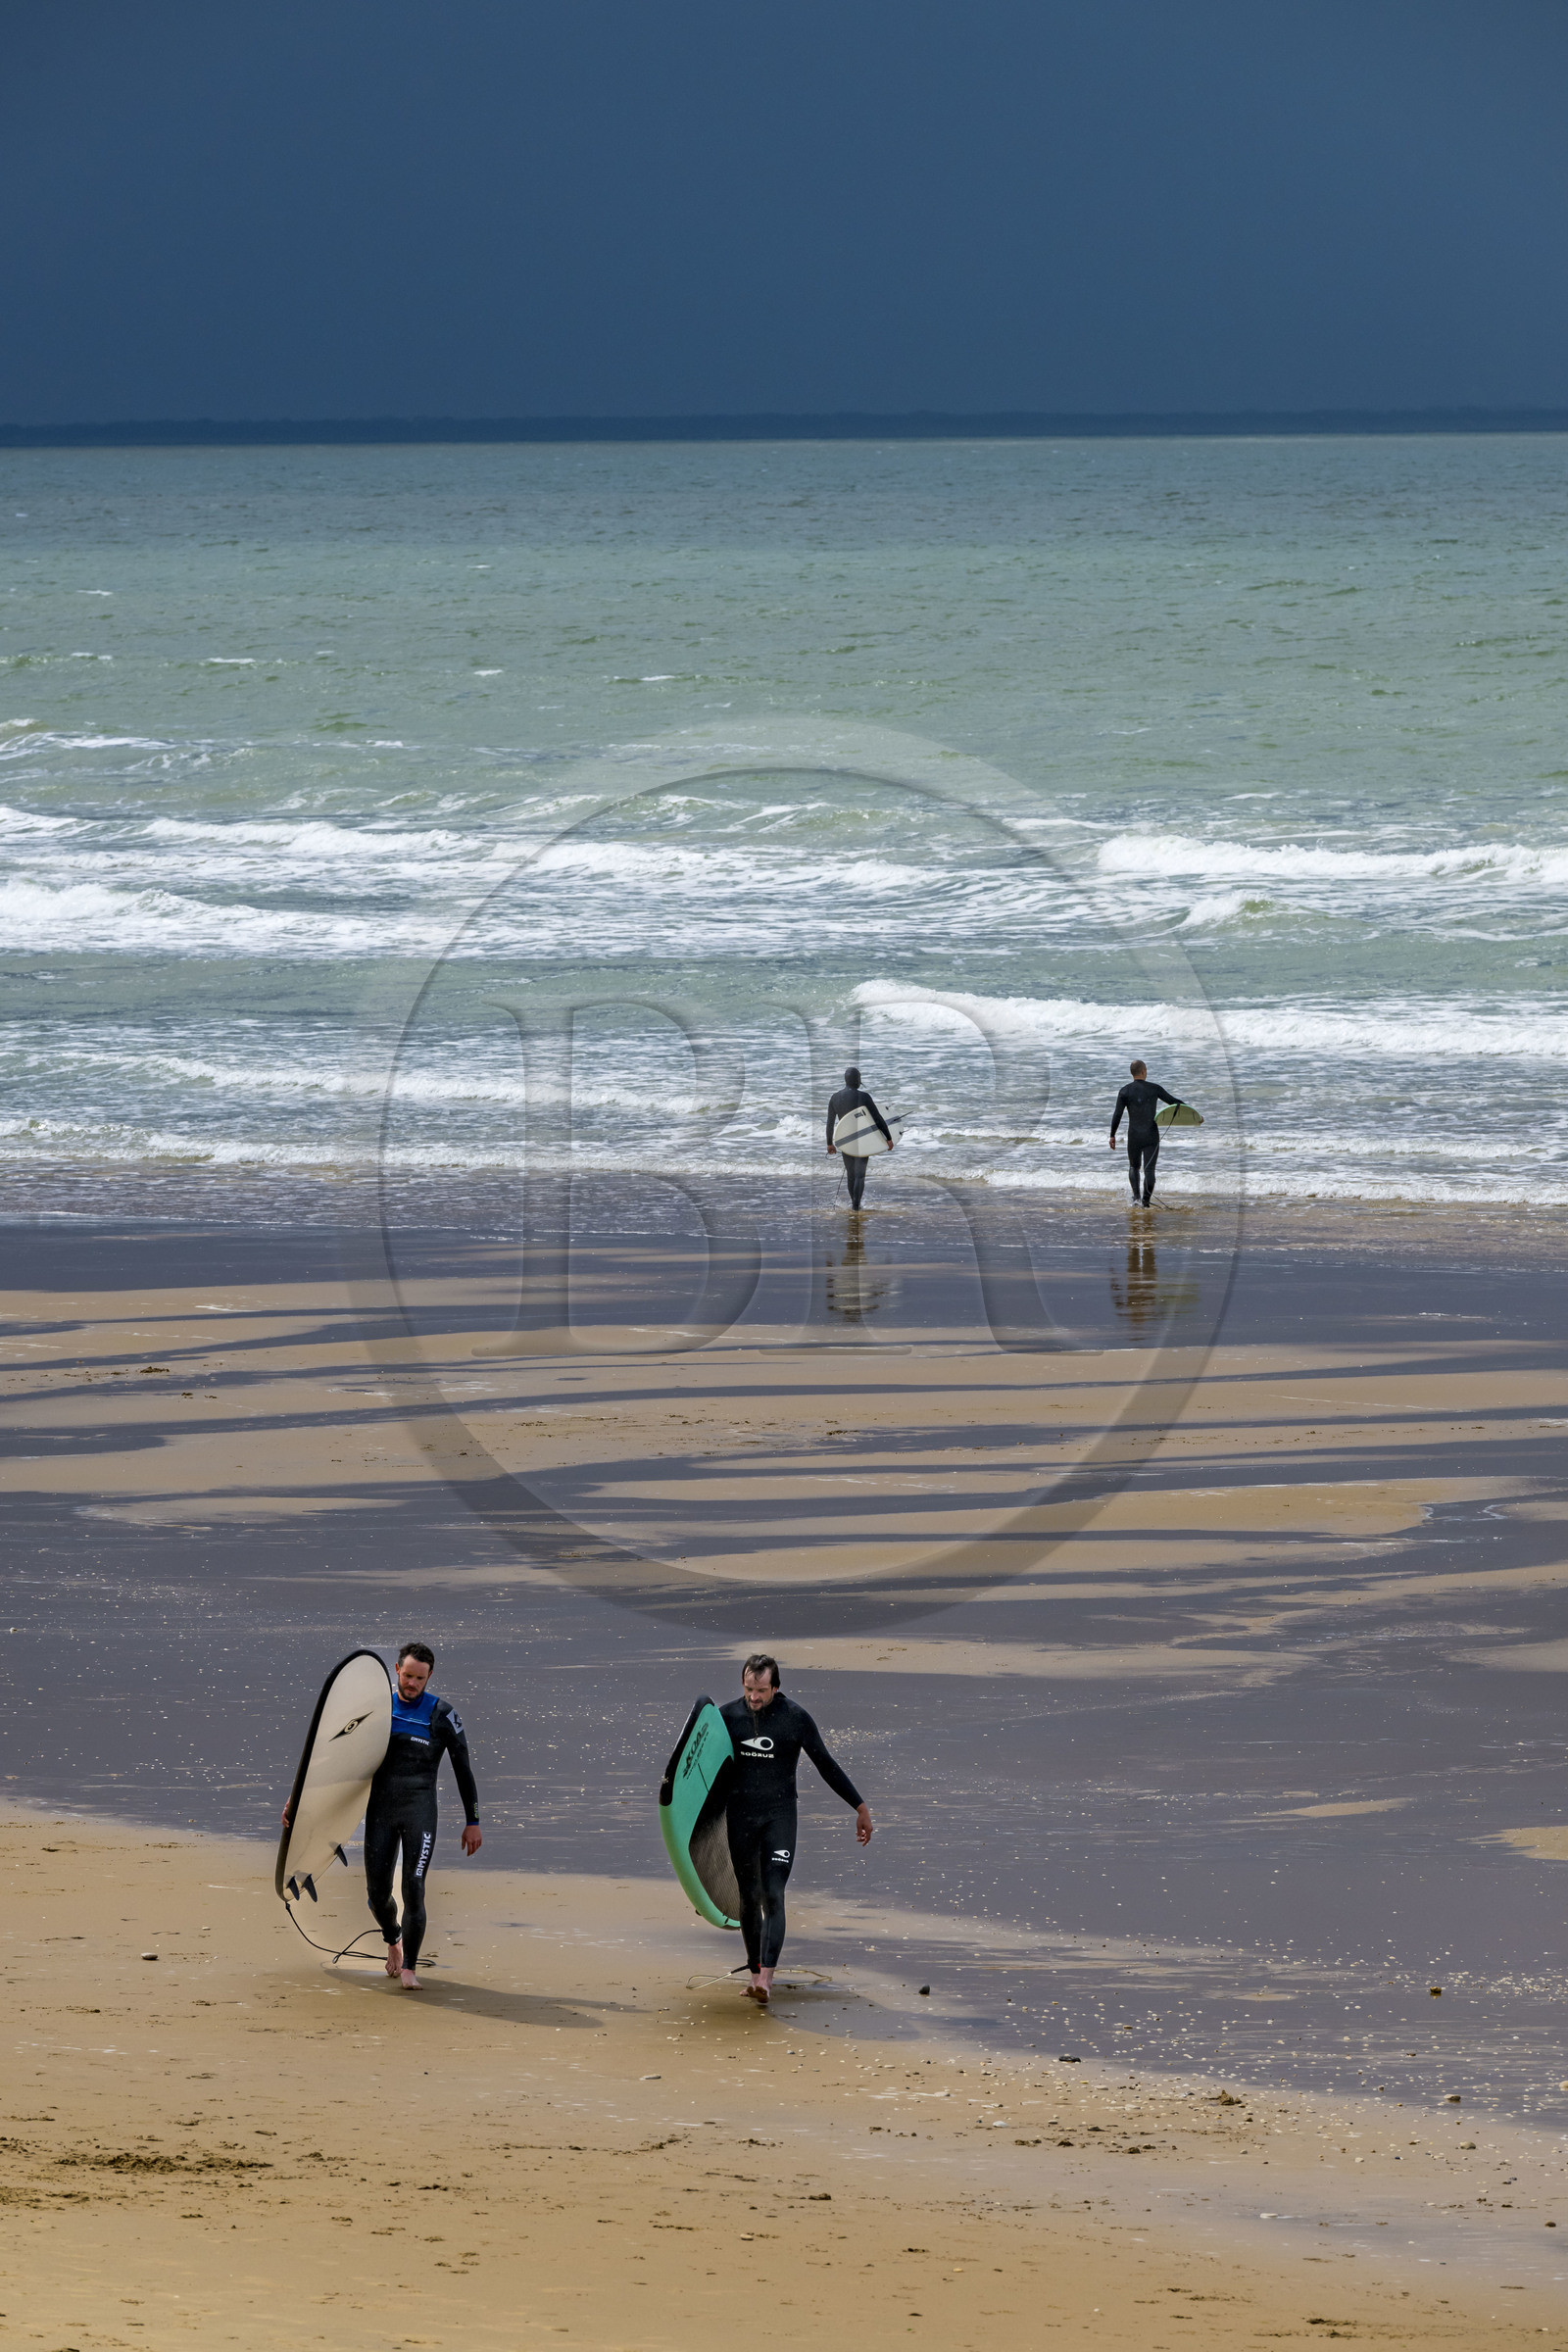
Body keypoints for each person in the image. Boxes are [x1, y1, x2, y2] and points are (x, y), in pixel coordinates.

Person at [720, 1654, 872, 2004]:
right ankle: (755, 1971)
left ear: (776, 1686)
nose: (753, 1698)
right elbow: (702, 1777)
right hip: (740, 1818)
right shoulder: (727, 1718)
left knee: (773, 1893)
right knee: (748, 1898)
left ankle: (766, 1981)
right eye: (748, 1689)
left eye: (761, 1690)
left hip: (779, 1817)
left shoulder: (795, 1719)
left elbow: (826, 1765)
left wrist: (859, 1806)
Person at [365, 1642, 481, 1990]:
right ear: (397, 1669)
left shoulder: (443, 1715)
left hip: (419, 1812)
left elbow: (464, 1770)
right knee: (376, 1895)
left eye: (420, 1677)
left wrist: (472, 1821)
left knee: (414, 1888)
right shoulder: (376, 1708)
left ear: (429, 1676)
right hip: (380, 1812)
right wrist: (299, 1801)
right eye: (408, 1675)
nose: (412, 1683)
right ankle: (392, 1937)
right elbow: (331, 1756)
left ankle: (411, 1969)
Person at [1108, 1058, 1183, 1208]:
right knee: (1149, 1169)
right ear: (1143, 1071)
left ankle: (1136, 1199)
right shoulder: (1155, 1088)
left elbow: (1117, 1114)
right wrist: (1195, 1115)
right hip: (1151, 1135)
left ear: (1132, 1073)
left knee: (1133, 1167)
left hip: (1134, 1136)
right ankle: (1146, 1202)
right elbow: (1174, 1102)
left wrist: (1112, 1135)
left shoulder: (1124, 1091)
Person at [825, 1063, 894, 1211]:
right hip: (863, 1140)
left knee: (850, 1173)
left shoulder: (835, 1097)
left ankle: (853, 1203)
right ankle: (857, 1205)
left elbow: (830, 1123)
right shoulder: (863, 1096)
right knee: (860, 1175)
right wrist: (888, 1137)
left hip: (845, 1139)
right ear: (858, 1080)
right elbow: (877, 1118)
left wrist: (829, 1143)